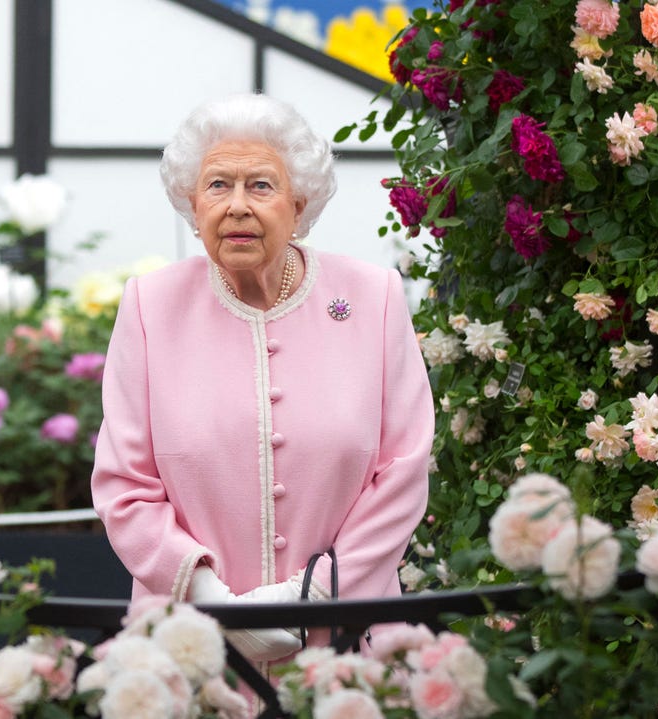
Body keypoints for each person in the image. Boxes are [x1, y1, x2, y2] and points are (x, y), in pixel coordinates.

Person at [90, 93, 434, 667]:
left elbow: (403, 472)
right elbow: (125, 485)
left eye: (261, 186)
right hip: (190, 645)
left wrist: (312, 597)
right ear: (192, 204)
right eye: (218, 185)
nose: (237, 206)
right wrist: (214, 604)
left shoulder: (373, 298)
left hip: (343, 642)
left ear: (299, 204)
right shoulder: (149, 305)